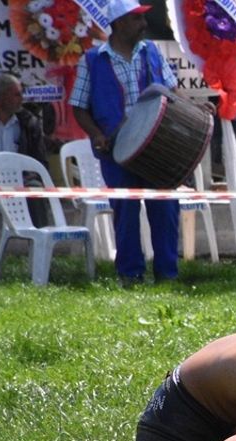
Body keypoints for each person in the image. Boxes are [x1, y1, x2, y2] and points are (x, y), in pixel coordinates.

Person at [71, 0, 186, 285]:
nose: (144, 24)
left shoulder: (152, 53)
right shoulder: (92, 59)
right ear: (120, 23)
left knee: (165, 209)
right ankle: (130, 274)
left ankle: (167, 274)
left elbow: (172, 92)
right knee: (125, 212)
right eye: (137, 19)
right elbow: (78, 107)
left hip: (156, 146)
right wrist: (97, 135)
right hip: (116, 151)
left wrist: (194, 108)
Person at [0, 73, 48, 255]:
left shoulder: (29, 123)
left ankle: (41, 247)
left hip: (20, 182)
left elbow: (40, 162)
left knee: (36, 190)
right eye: (17, 94)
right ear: (0, 98)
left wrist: (29, 177)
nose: (22, 99)